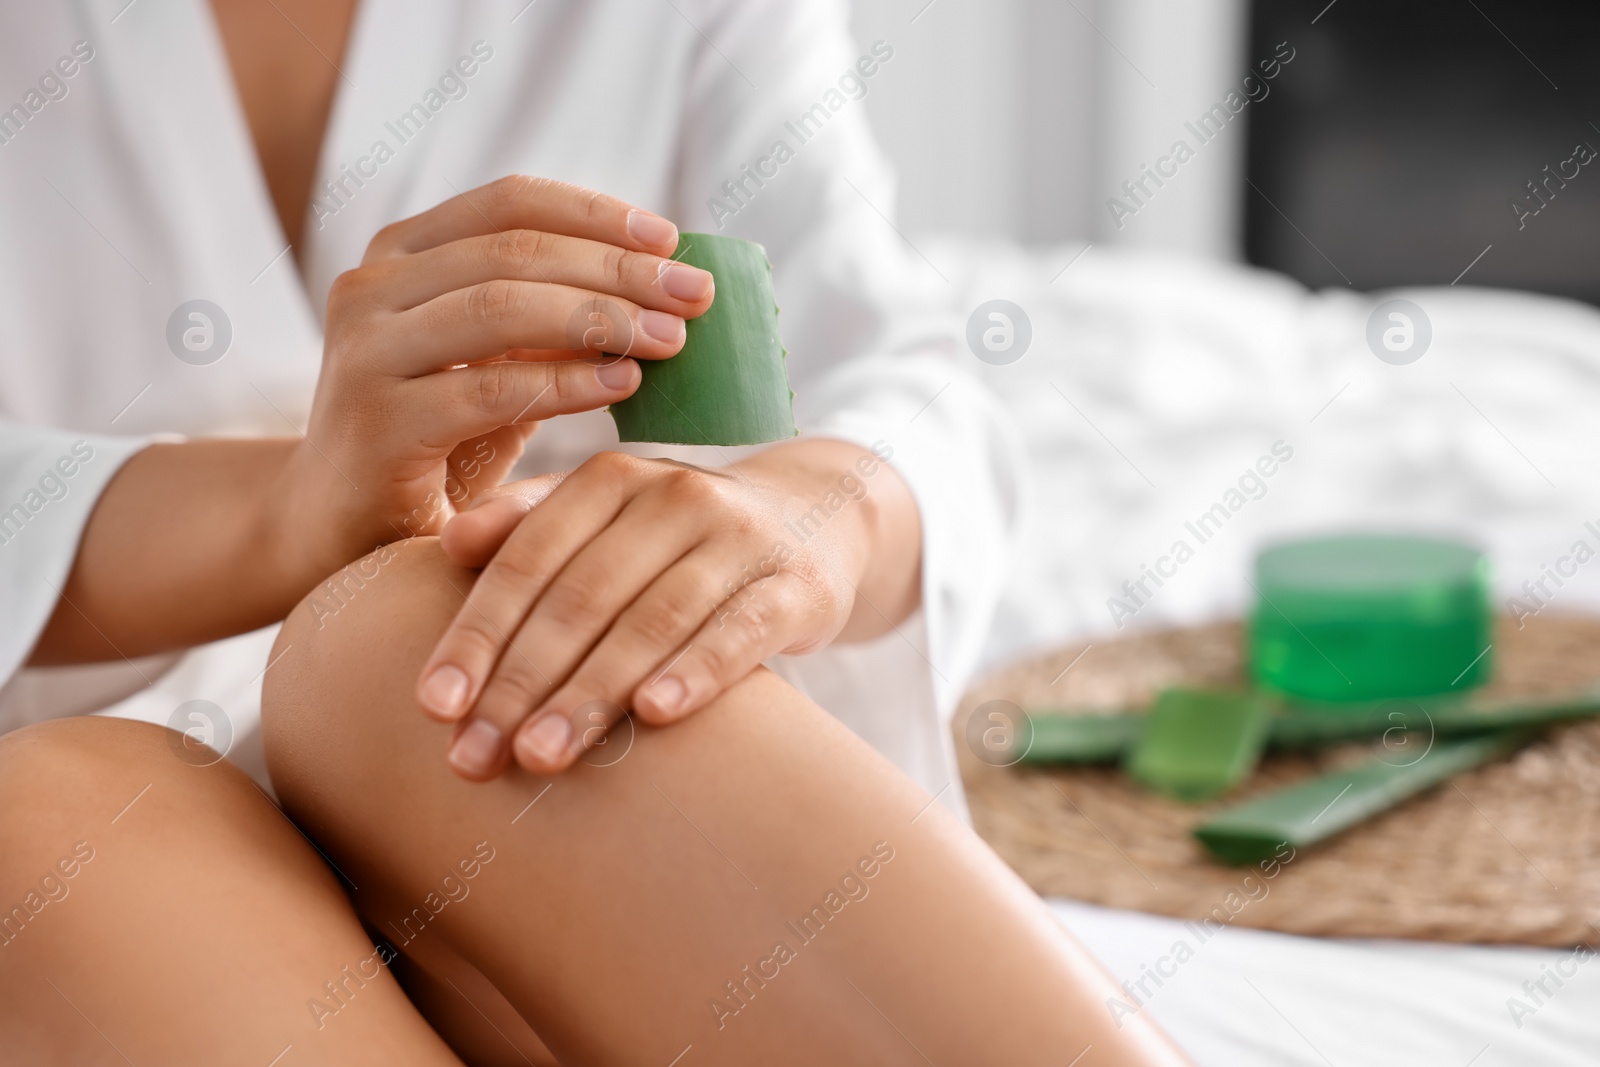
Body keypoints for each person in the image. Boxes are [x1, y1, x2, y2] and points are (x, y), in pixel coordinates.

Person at [0, 0, 1188, 1061]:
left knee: (424, 633)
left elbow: (885, 355)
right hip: (84, 766)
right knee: (54, 824)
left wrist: (817, 511)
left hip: (506, 714)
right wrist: (286, 511)